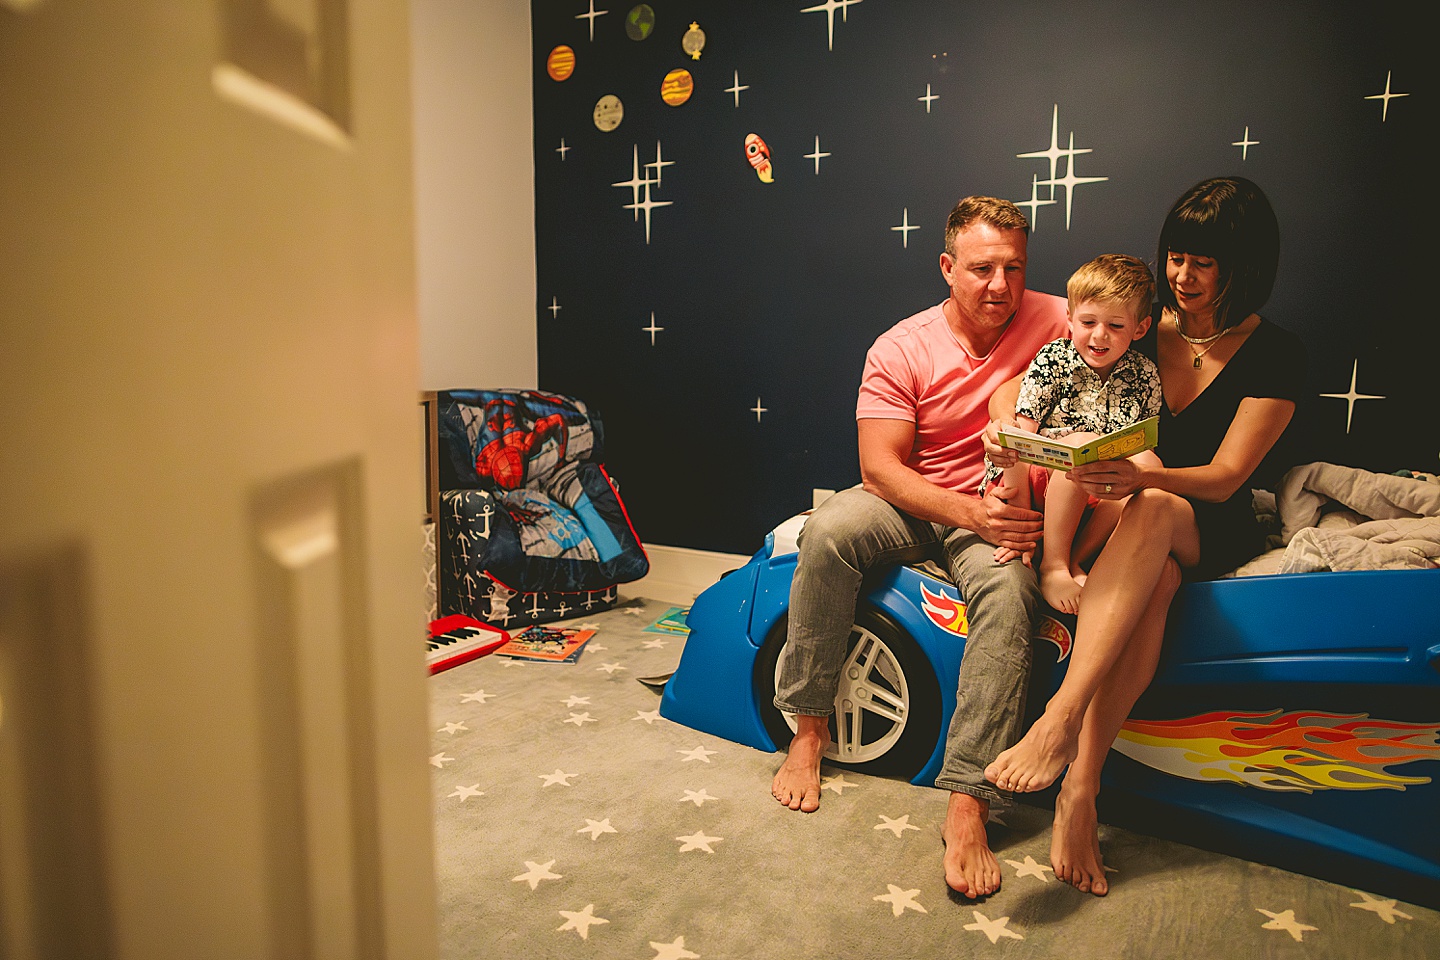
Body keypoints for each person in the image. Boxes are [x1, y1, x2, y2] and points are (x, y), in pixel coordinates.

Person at [982, 176, 1309, 896]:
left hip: (1205, 519)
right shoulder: (1132, 323)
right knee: (1154, 579)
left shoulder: (1275, 353)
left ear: (1244, 265)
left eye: (1205, 263)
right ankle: (1081, 792)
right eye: (1176, 257)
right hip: (1120, 518)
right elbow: (1036, 377)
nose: (1183, 277)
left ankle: (1059, 718)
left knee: (1157, 508)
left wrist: (1142, 483)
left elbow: (1225, 478)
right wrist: (1010, 428)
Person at [769, 196, 1069, 899]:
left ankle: (969, 799)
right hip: (918, 502)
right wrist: (975, 511)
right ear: (947, 267)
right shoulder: (901, 346)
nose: (1000, 285)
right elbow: (881, 469)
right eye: (982, 268)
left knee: (1011, 592)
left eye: (1014, 268)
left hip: (995, 515)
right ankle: (808, 730)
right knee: (831, 529)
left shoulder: (1061, 321)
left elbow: (1130, 327)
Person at [986, 254, 1164, 614]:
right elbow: (1020, 440)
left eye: (1116, 325)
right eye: (1088, 322)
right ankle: (1052, 565)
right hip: (1034, 478)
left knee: (1147, 463)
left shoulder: (1144, 373)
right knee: (1083, 445)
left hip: (1095, 496)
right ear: (1069, 318)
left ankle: (1077, 558)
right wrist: (1019, 529)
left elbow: (1141, 442)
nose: (1099, 335)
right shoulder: (1054, 359)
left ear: (1140, 328)